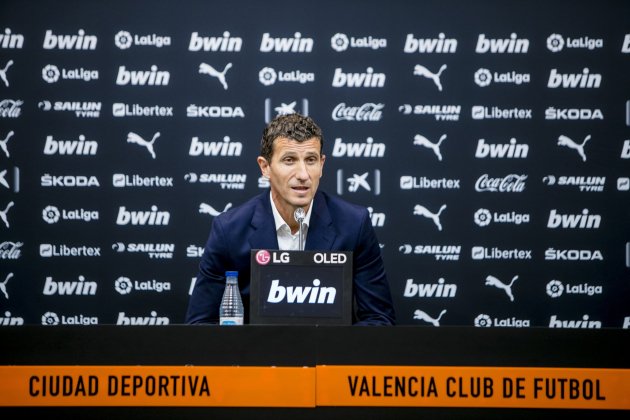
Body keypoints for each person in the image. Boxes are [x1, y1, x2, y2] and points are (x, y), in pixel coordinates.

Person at [185, 113, 396, 325]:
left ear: (322, 165)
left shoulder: (353, 224)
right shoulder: (229, 230)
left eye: (311, 160)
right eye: (289, 160)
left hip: (328, 354)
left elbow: (380, 319)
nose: (303, 174)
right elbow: (201, 325)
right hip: (257, 355)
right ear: (265, 167)